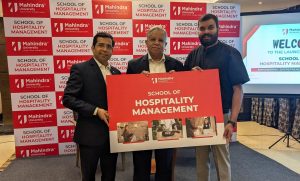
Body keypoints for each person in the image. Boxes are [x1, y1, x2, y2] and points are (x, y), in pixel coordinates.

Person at [184, 14, 250, 181]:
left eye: (210, 28)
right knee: (200, 160)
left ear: (218, 29)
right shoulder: (193, 55)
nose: (206, 32)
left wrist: (232, 122)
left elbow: (238, 90)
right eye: (202, 28)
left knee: (222, 160)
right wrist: (189, 76)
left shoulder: (230, 53)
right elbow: (182, 86)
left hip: (222, 115)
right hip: (197, 117)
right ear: (198, 30)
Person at [127, 26, 184, 181]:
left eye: (161, 40)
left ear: (166, 44)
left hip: (168, 123)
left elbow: (184, 94)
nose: (156, 43)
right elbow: (127, 96)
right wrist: (135, 81)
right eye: (153, 39)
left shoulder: (177, 65)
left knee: (165, 167)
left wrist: (178, 81)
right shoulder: (133, 65)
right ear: (146, 42)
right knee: (140, 165)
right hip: (140, 122)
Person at [63, 32, 121, 181]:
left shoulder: (117, 73)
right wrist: (96, 111)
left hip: (112, 135)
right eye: (101, 45)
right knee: (88, 177)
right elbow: (68, 98)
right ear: (92, 48)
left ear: (112, 50)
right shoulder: (80, 69)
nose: (105, 49)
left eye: (109, 46)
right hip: (90, 134)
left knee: (110, 176)